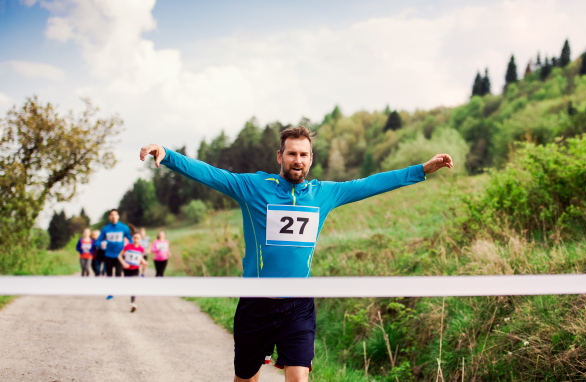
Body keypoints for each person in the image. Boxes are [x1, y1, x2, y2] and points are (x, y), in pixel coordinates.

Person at [140, 126, 453, 382]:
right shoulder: (253, 187)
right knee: (246, 379)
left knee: (299, 378)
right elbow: (210, 174)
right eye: (292, 154)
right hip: (256, 304)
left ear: (311, 158)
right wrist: (167, 156)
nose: (297, 160)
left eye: (303, 154)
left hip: (298, 306)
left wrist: (421, 170)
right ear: (280, 156)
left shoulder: (324, 194)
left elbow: (371, 184)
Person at [95, 209, 132, 277]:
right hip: (108, 255)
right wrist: (100, 245)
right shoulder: (105, 228)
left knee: (118, 274)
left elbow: (130, 240)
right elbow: (97, 241)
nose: (113, 216)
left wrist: (128, 249)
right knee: (109, 275)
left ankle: (117, 287)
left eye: (115, 214)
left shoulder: (124, 227)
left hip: (119, 255)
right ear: (109, 217)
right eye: (111, 215)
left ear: (118, 216)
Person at [117, 231, 148, 313]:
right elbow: (119, 256)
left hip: (135, 269)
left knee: (133, 286)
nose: (136, 240)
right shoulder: (127, 246)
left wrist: (144, 262)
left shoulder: (141, 249)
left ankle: (133, 303)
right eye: (134, 238)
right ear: (132, 238)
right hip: (127, 269)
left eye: (138, 238)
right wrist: (124, 263)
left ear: (140, 239)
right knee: (128, 285)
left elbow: (140, 258)